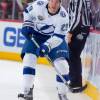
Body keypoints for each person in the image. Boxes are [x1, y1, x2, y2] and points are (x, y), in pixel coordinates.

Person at [18, 0, 69, 100]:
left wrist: (47, 46)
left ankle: (62, 94)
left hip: (54, 39)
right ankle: (27, 90)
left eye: (56, 2)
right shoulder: (38, 5)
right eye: (52, 1)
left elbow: (58, 37)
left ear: (60, 3)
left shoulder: (63, 16)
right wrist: (27, 24)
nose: (53, 4)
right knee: (29, 59)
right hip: (36, 36)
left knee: (62, 66)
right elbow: (27, 12)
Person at [66, 0, 91, 90]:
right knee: (74, 56)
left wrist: (70, 31)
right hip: (82, 29)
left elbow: (77, 17)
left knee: (73, 56)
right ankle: (75, 81)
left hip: (79, 30)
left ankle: (75, 82)